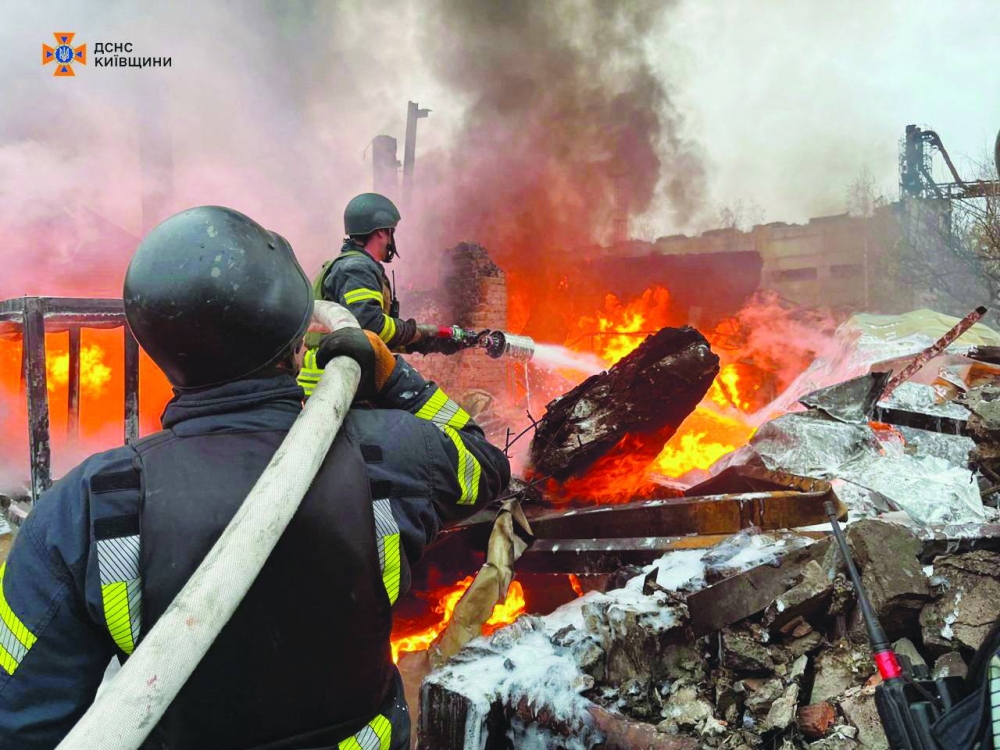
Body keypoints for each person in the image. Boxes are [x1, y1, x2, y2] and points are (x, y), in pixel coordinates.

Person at [0, 205, 510, 749]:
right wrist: (394, 377)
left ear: (157, 352)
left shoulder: (86, 505)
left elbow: (22, 724)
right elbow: (486, 465)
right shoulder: (392, 450)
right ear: (296, 343)